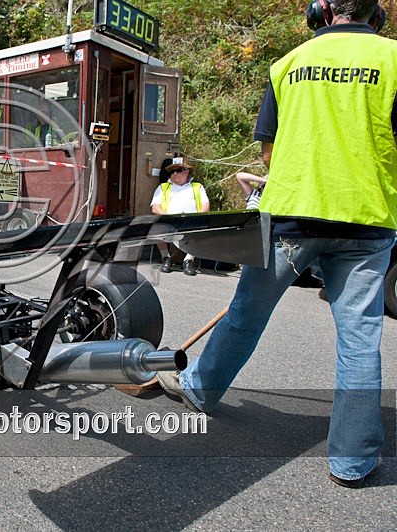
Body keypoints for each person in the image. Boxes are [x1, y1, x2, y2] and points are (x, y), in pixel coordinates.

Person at [157, 0, 397, 489]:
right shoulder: (393, 60)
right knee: (359, 339)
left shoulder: (287, 65)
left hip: (290, 216)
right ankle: (352, 462)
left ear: (322, 12)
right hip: (367, 220)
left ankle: (201, 389)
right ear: (378, 16)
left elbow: (269, 148)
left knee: (247, 312)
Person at [150, 157, 210, 275]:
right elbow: (155, 207)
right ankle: (166, 259)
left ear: (186, 172)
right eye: (172, 171)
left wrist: (195, 217)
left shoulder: (197, 187)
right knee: (156, 228)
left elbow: (206, 206)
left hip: (191, 220)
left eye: (177, 170)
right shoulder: (163, 187)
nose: (174, 173)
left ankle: (188, 260)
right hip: (170, 219)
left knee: (203, 228)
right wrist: (169, 216)